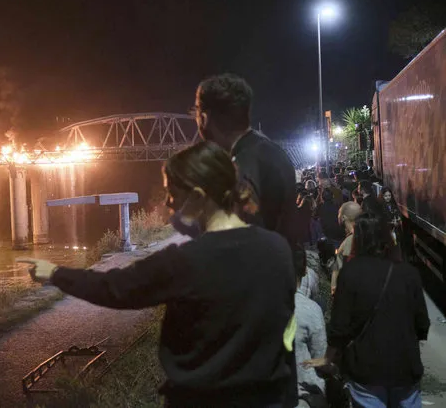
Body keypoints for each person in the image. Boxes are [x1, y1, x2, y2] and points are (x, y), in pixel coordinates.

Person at [27, 141, 296, 407]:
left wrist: (55, 273)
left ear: (200, 196)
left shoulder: (185, 261)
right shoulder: (278, 249)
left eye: (173, 193)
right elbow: (286, 333)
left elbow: (115, 287)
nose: (168, 203)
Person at [303, 213, 430, 408]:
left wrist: (328, 358)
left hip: (366, 369)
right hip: (405, 367)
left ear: (359, 239)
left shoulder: (351, 273)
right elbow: (422, 324)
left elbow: (339, 326)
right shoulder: (408, 273)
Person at [194, 73, 296, 246]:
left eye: (195, 111)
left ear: (204, 118)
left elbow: (235, 250)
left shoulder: (237, 170)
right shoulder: (272, 151)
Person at [293, 249, 327, 408]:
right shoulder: (310, 309)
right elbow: (321, 359)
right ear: (304, 270)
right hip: (305, 396)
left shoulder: (258, 307)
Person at [331, 202, 362, 294]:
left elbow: (340, 268)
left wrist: (334, 288)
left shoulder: (350, 240)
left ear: (344, 217)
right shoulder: (365, 235)